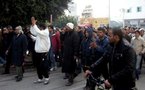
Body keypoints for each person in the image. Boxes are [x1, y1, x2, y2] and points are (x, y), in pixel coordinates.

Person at [30, 17, 51, 85]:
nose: (38, 28)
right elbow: (35, 34)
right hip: (38, 53)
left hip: (43, 53)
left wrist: (34, 24)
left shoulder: (45, 32)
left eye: (39, 27)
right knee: (38, 66)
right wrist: (33, 26)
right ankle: (40, 78)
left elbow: (37, 32)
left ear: (42, 28)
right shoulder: (41, 33)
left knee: (43, 66)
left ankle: (47, 78)